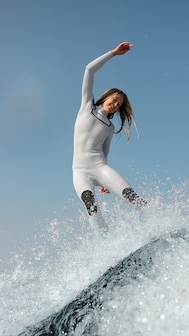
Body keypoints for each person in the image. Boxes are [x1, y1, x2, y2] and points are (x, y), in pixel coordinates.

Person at [72, 41, 147, 231]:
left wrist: (104, 182)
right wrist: (113, 53)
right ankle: (106, 244)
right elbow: (89, 70)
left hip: (100, 167)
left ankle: (158, 220)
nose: (115, 104)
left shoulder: (109, 127)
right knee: (91, 207)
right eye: (114, 100)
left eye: (119, 104)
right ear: (106, 97)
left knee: (131, 195)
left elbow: (104, 155)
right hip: (80, 172)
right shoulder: (87, 107)